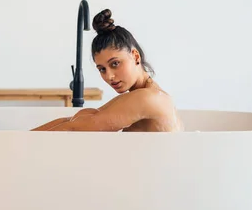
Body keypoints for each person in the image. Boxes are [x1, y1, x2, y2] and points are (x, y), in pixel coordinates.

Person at [32, 9, 183, 132]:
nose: (109, 76)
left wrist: (17, 141)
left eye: (115, 63)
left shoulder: (147, 98)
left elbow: (73, 128)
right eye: (102, 69)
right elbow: (77, 120)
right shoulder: (145, 94)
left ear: (135, 56)